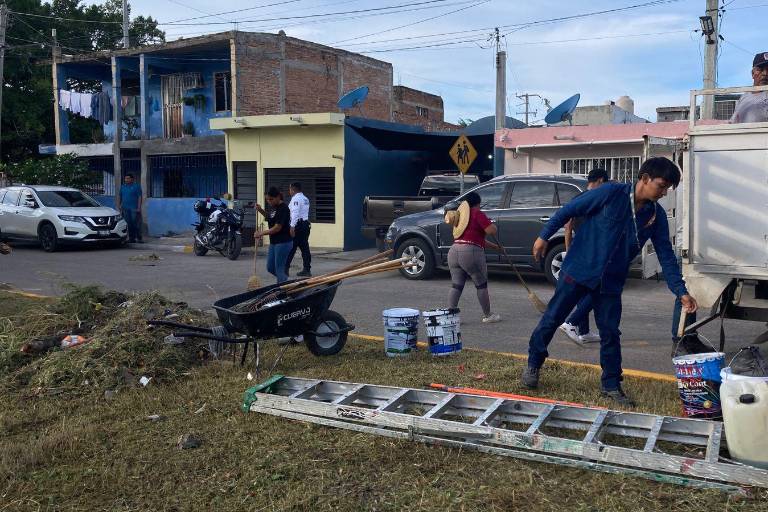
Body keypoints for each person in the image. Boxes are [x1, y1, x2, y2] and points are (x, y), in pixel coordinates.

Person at [521, 157, 699, 406]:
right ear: (644, 178)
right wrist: (543, 237)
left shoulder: (655, 215)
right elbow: (568, 210)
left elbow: (666, 256)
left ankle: (611, 385)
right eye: (662, 185)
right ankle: (533, 364)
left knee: (610, 333)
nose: (664, 192)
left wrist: (680, 291)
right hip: (578, 270)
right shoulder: (610, 193)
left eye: (668, 188)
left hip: (611, 282)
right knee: (552, 319)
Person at [559, 168, 609, 344]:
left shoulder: (578, 199)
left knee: (582, 290)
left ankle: (584, 332)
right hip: (595, 252)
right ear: (601, 181)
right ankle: (571, 322)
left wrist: (568, 251)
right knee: (600, 290)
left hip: (578, 249)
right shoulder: (600, 200)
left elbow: (568, 227)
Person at [444, 191, 502, 323]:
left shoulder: (460, 216)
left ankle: (451, 317)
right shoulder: (477, 213)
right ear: (478, 203)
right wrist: (491, 224)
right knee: (481, 284)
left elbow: (474, 239)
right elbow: (491, 230)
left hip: (454, 251)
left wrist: (495, 247)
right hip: (470, 253)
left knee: (456, 285)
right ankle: (488, 315)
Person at [255, 187, 293, 284]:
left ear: (278, 197)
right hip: (274, 242)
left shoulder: (283, 208)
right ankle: (286, 281)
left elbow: (277, 228)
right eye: (267, 199)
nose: (269, 201)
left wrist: (261, 233)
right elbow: (270, 217)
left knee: (279, 268)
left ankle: (282, 289)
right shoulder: (274, 207)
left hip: (283, 242)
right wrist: (260, 210)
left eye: (271, 199)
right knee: (270, 267)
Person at [729, 51, 768, 124]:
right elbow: (733, 122)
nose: (765, 73)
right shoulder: (744, 97)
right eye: (760, 69)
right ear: (753, 73)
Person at [285, 182, 312, 277]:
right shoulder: (305, 198)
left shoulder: (296, 199)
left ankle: (285, 269)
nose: (289, 191)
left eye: (290, 189)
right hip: (305, 225)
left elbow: (295, 213)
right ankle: (307, 269)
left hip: (298, 226)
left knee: (291, 247)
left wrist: (292, 227)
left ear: (293, 189)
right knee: (305, 248)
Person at [117, 173, 143, 243]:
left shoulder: (136, 186)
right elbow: (120, 196)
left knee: (136, 223)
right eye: (125, 178)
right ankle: (132, 238)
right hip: (125, 208)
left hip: (134, 208)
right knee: (128, 224)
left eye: (128, 178)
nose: (126, 180)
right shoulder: (123, 187)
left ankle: (139, 238)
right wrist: (119, 205)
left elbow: (140, 197)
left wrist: (139, 207)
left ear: (132, 179)